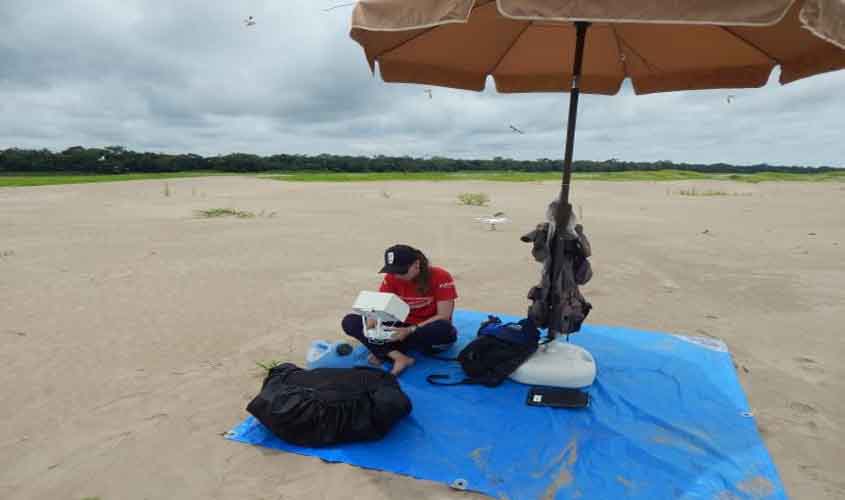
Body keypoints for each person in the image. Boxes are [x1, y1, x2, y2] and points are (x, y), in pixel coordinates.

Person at [342, 244, 458, 376]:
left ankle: (384, 350)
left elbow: (443, 315)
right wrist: (371, 323)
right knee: (351, 321)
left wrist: (410, 330)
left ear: (416, 264)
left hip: (424, 328)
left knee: (442, 328)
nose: (396, 276)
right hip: (400, 326)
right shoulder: (392, 278)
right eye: (392, 271)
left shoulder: (440, 276)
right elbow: (380, 306)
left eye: (401, 271)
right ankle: (398, 356)